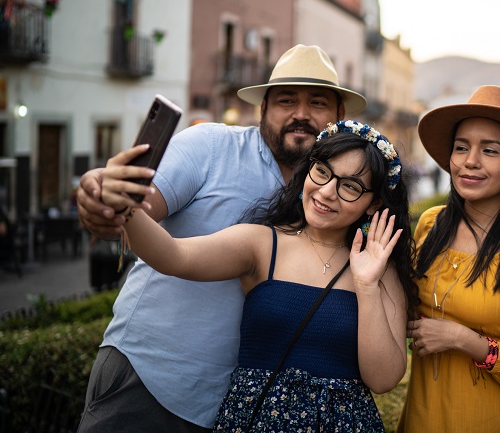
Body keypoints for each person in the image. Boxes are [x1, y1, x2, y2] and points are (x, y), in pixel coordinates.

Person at [76, 45, 367, 432]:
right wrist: (103, 197)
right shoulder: (209, 146)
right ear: (262, 107)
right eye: (286, 100)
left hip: (232, 407)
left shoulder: (332, 197)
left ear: (338, 117)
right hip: (147, 376)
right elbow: (138, 207)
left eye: (317, 102)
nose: (301, 114)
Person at [97, 120, 416, 431]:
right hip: (256, 418)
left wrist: (367, 285)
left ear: (374, 203)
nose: (327, 192)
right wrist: (125, 204)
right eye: (321, 172)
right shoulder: (262, 243)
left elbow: (384, 379)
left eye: (349, 186)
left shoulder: (379, 267)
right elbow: (173, 255)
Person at [400, 85, 500, 432]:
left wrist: (464, 340)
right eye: (461, 148)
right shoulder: (430, 225)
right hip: (423, 416)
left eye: (489, 150)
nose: (470, 161)